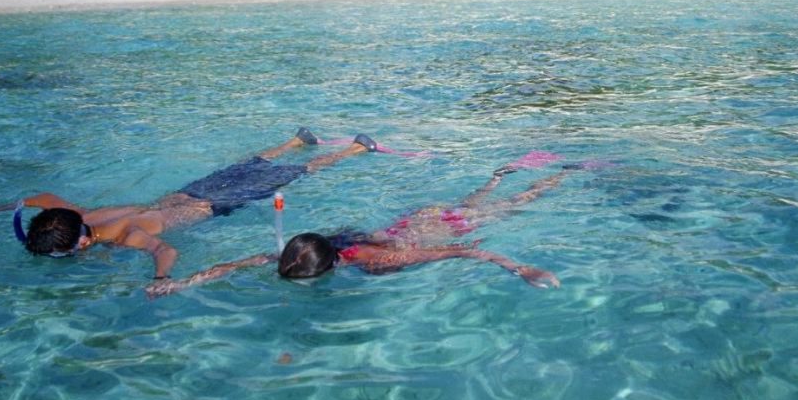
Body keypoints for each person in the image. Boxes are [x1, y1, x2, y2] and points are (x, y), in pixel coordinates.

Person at [0, 128, 378, 279]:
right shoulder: (75, 213)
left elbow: (164, 249)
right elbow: (36, 198)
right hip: (189, 194)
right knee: (249, 164)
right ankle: (294, 140)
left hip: (210, 206)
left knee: (290, 176)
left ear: (77, 245)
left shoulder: (125, 237)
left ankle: (353, 151)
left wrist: (161, 278)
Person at [146, 162, 569, 298]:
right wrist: (180, 284)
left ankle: (558, 176)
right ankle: (496, 177)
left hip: (439, 228)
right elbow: (233, 265)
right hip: (417, 220)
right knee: (475, 200)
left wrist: (519, 268)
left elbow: (464, 253)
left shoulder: (378, 262)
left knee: (519, 203)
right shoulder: (305, 249)